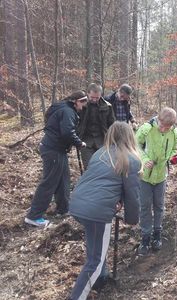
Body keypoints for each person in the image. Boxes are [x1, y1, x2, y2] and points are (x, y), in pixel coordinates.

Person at [68, 121, 141, 300]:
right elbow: (132, 194)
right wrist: (132, 219)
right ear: (130, 136)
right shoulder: (131, 159)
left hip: (78, 203)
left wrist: (116, 200)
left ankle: (101, 277)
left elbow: (105, 182)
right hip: (97, 210)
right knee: (95, 260)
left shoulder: (100, 153)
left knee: (95, 247)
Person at [24, 91, 88, 227]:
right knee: (49, 182)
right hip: (53, 150)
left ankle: (63, 209)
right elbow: (67, 132)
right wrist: (79, 143)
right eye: (82, 102)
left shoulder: (64, 108)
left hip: (58, 150)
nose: (84, 105)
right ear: (76, 101)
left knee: (63, 180)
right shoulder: (68, 111)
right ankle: (33, 216)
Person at [135, 107, 177, 256]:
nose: (163, 129)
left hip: (161, 176)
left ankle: (157, 234)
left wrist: (173, 158)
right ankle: (145, 237)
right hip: (145, 176)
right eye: (161, 125)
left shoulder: (174, 132)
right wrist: (145, 159)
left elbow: (174, 148)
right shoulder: (146, 129)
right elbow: (135, 146)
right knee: (145, 206)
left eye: (167, 127)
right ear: (158, 119)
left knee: (159, 205)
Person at [78, 83, 115, 169]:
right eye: (92, 97)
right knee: (89, 166)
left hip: (102, 141)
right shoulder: (81, 105)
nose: (94, 100)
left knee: (103, 165)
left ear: (101, 95)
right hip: (85, 141)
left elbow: (112, 124)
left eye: (97, 98)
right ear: (87, 94)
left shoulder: (107, 106)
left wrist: (112, 139)